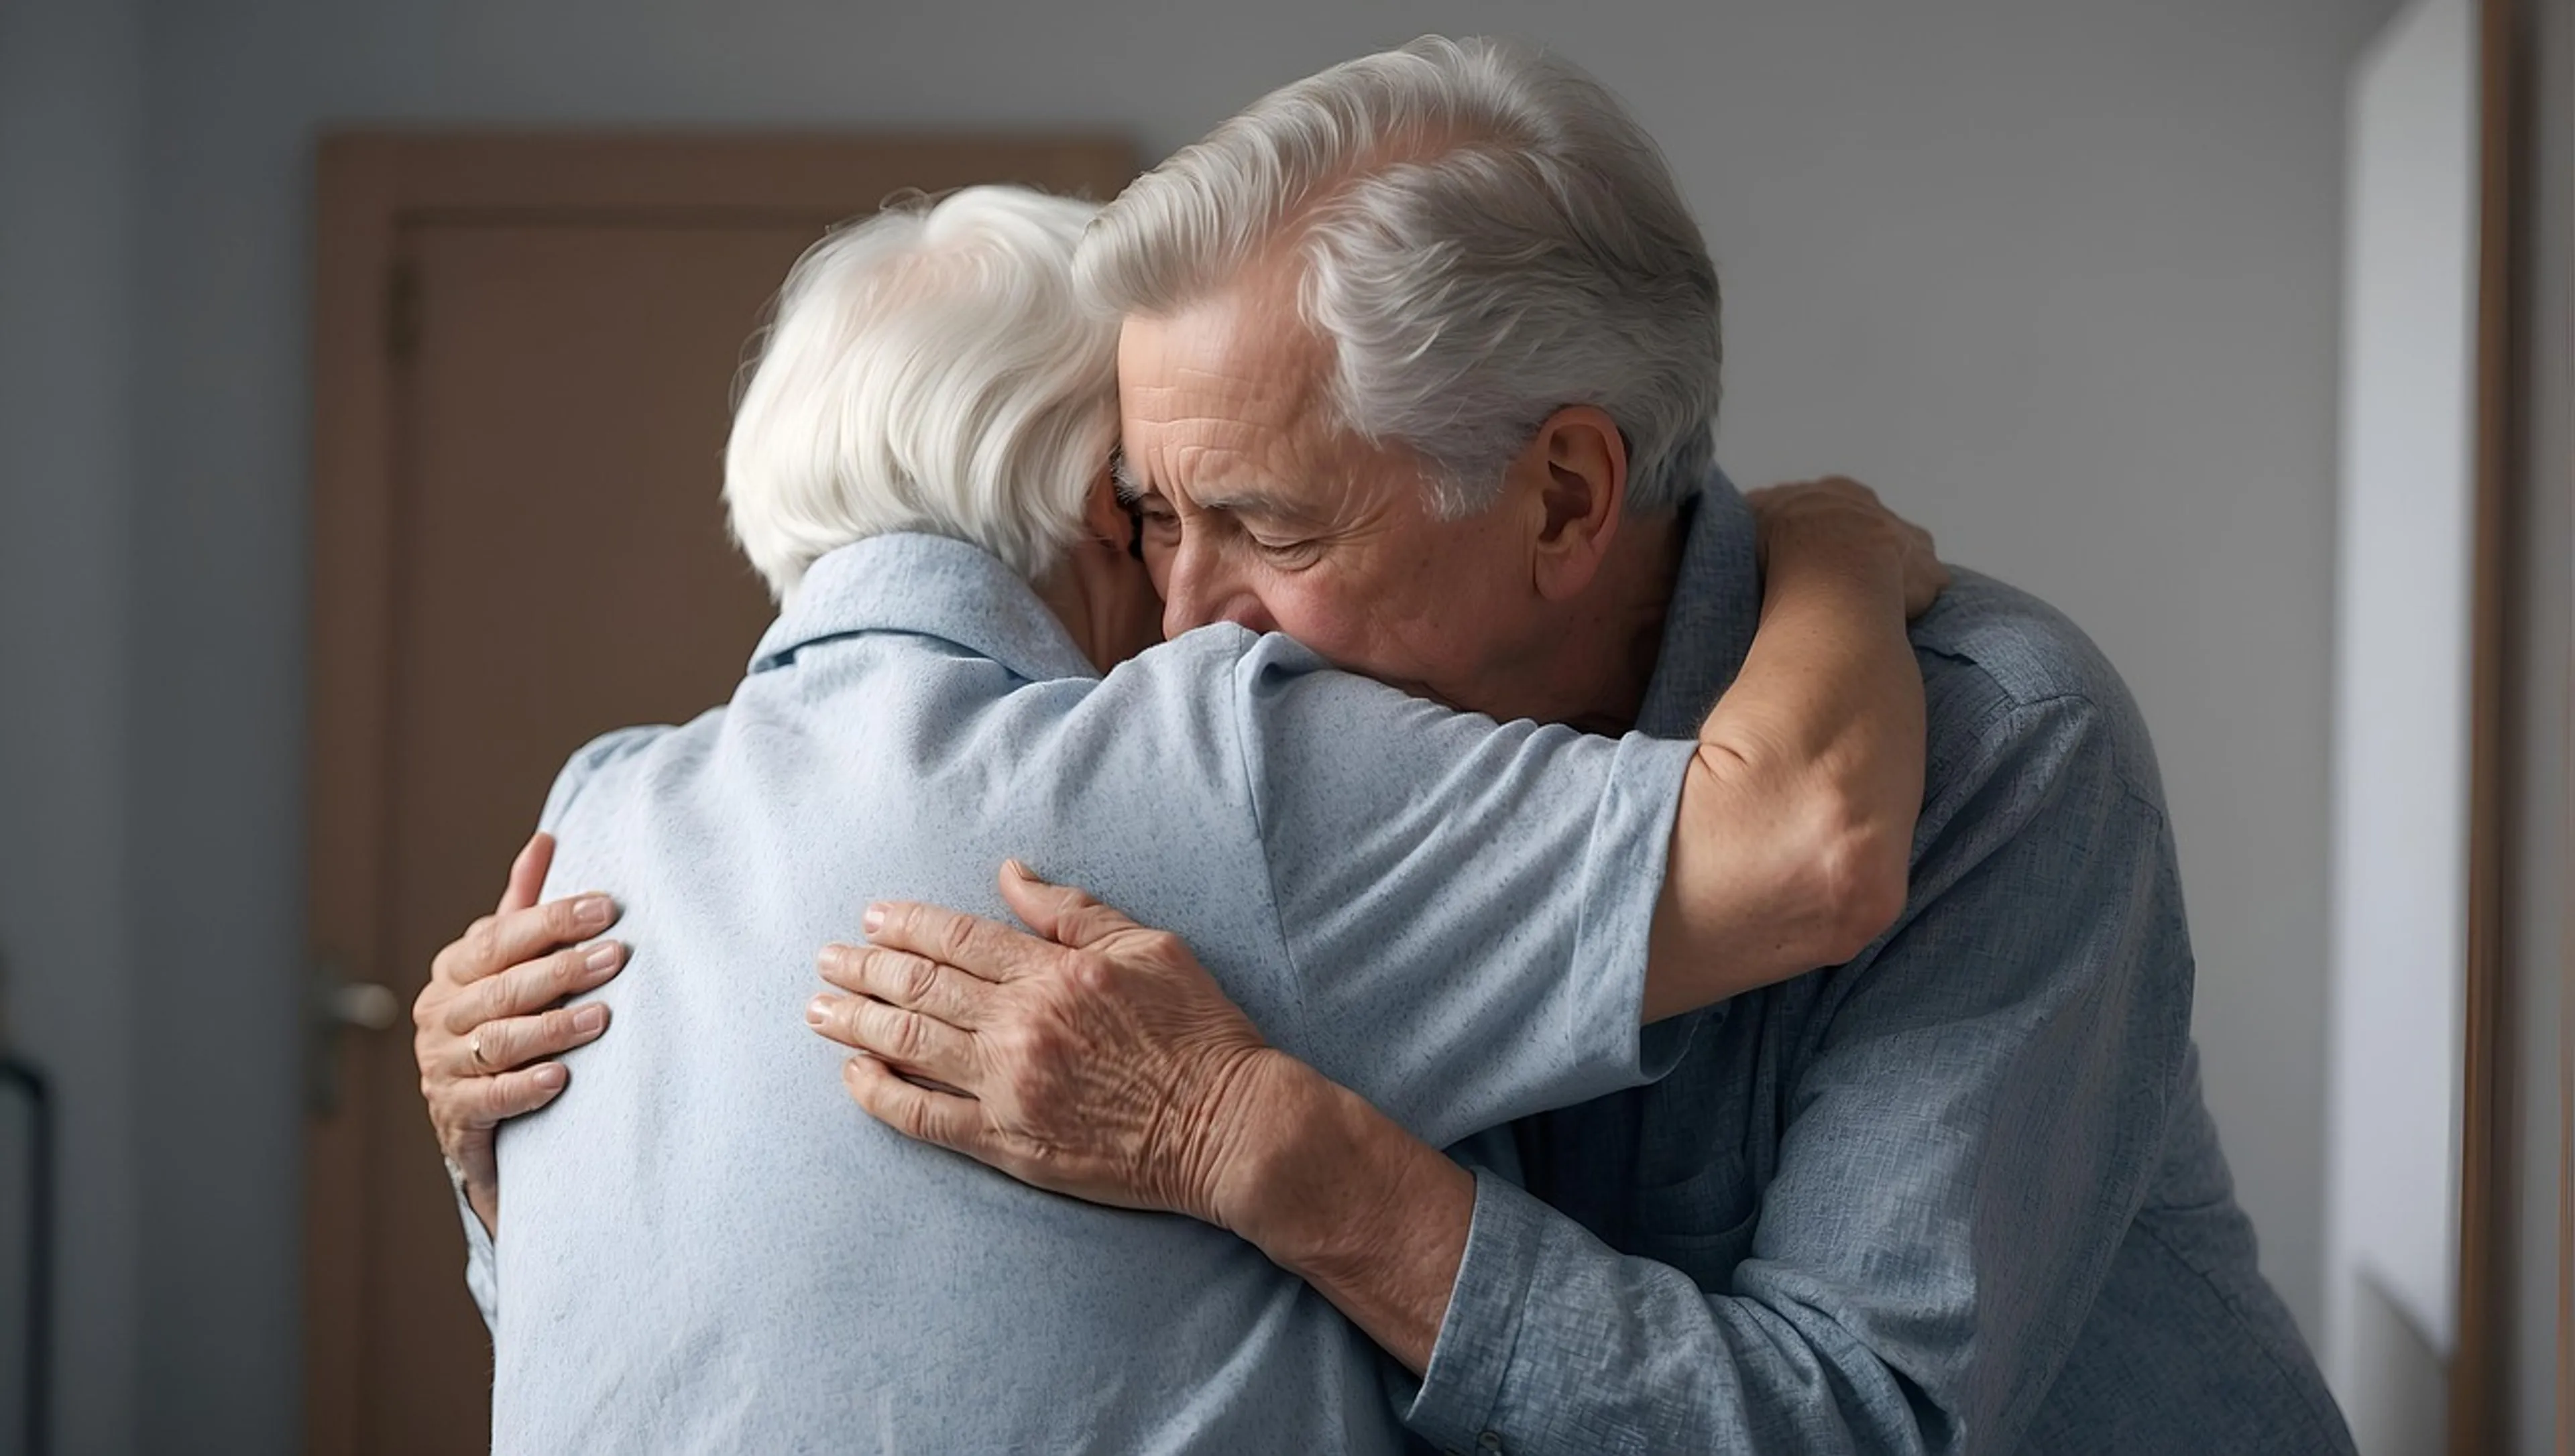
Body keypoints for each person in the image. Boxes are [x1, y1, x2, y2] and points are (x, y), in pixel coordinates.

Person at [434, 36, 2355, 1453]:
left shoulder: (2002, 753)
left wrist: (1270, 1151)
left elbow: (1855, 1427)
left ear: (1563, 495)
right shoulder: (1212, 768)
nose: (1175, 628)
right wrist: (526, 1139)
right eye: (1151, 520)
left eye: (1263, 526)